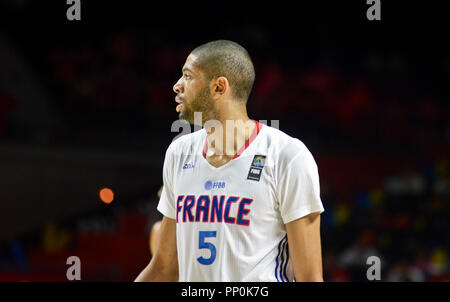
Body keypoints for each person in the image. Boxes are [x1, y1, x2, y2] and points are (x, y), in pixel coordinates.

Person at [135, 40, 325, 282]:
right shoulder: (179, 153)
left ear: (219, 87)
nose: (176, 86)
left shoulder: (287, 156)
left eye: (188, 76)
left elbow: (309, 277)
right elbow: (164, 268)